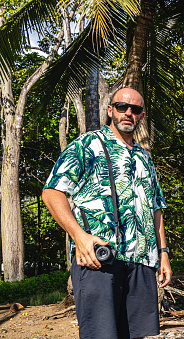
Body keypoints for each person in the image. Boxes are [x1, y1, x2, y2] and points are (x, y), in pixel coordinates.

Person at [42, 87, 172, 339]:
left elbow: (156, 208)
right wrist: (80, 237)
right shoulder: (87, 145)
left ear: (141, 117)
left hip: (142, 261)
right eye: (122, 106)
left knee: (137, 335)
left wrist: (163, 254)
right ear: (110, 110)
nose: (128, 113)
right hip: (99, 259)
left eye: (135, 109)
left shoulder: (145, 158)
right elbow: (52, 193)